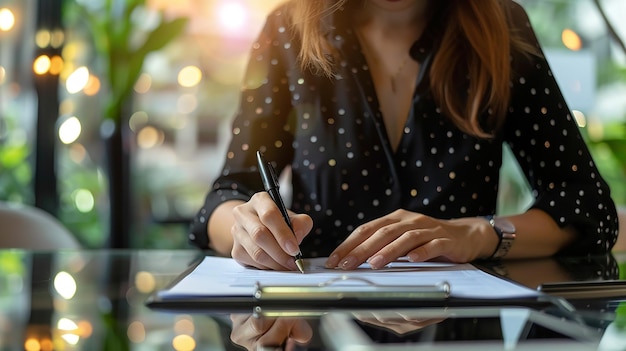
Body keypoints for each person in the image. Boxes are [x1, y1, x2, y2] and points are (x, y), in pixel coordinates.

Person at [189, 0, 619, 271]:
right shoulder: (287, 30)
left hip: (459, 331)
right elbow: (226, 196)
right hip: (320, 326)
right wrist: (244, 227)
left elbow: (585, 204)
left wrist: (477, 234)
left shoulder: (501, 26)